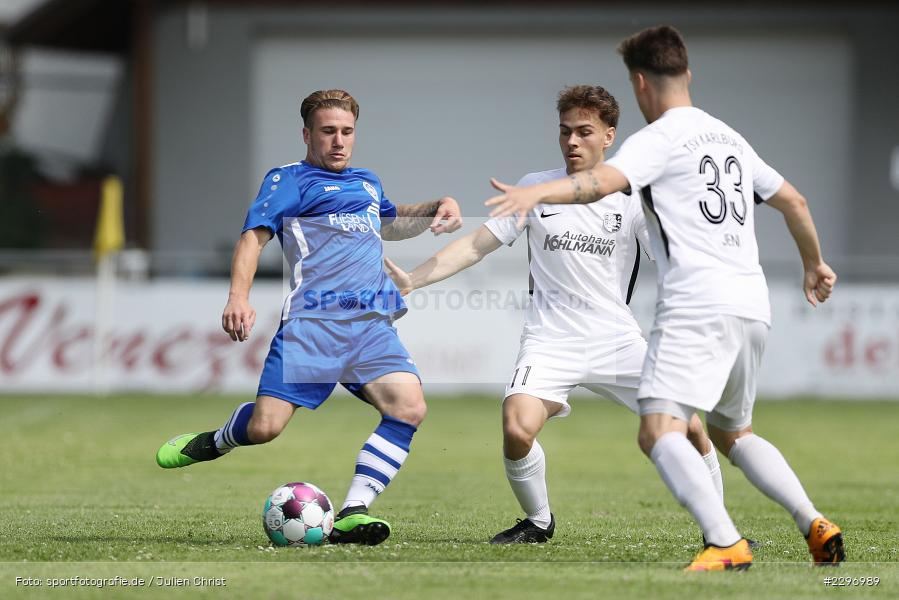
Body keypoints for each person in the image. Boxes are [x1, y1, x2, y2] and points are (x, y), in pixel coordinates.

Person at [484, 26, 843, 570]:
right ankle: (812, 520)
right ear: (688, 74)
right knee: (732, 432)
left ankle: (724, 541)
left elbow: (600, 185)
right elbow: (793, 200)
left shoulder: (659, 138)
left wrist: (535, 191)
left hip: (696, 304)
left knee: (659, 431)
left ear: (639, 82)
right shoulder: (728, 137)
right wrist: (814, 263)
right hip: (753, 303)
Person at [385, 84, 726, 544]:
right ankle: (538, 522)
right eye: (565, 132)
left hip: (617, 339)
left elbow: (674, 258)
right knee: (516, 425)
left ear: (609, 135)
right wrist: (413, 279)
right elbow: (473, 245)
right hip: (550, 340)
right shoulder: (535, 188)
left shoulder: (633, 194)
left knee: (689, 427)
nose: (571, 142)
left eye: (584, 132)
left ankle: (722, 529)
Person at [155, 89, 463, 546]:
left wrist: (438, 205)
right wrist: (237, 296)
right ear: (307, 134)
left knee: (410, 408)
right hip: (313, 327)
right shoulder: (289, 181)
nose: (339, 141)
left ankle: (354, 511)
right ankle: (215, 441)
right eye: (328, 132)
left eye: (347, 132)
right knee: (264, 428)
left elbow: (389, 223)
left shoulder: (366, 182)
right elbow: (252, 239)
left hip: (370, 326)